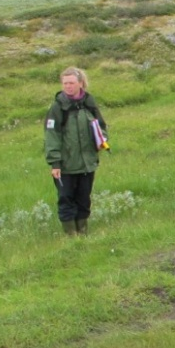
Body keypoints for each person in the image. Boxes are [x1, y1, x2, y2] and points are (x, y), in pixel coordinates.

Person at [43, 66, 109, 235]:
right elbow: (52, 136)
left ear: (80, 83)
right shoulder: (57, 108)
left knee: (83, 199)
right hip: (66, 165)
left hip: (87, 164)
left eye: (71, 83)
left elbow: (101, 126)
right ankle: (71, 238)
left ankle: (83, 233)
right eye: (65, 83)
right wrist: (55, 163)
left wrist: (102, 141)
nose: (68, 86)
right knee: (66, 199)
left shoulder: (89, 103)